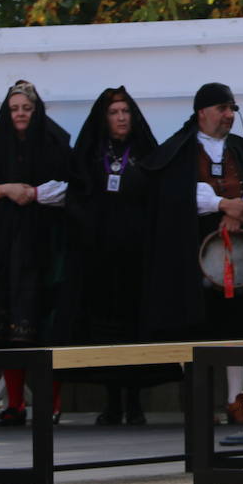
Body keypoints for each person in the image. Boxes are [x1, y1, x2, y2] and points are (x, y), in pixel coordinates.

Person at [141, 82, 243, 421]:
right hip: (190, 250)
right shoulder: (180, 151)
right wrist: (221, 204)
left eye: (232, 109)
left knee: (234, 328)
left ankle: (237, 400)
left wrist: (240, 210)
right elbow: (174, 193)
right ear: (202, 112)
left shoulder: (242, 151)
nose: (229, 116)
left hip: (238, 252)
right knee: (195, 326)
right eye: (222, 109)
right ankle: (198, 404)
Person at [0, 81, 71, 425]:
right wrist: (4, 189)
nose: (20, 114)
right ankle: (15, 403)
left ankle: (52, 403)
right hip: (1, 250)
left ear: (37, 111)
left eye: (26, 108)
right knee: (6, 325)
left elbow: (71, 188)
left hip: (45, 247)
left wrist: (32, 193)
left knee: (47, 326)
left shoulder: (56, 143)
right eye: (14, 109)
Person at [59, 87, 177, 425]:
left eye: (126, 111)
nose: (121, 118)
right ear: (104, 118)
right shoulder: (90, 154)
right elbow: (77, 196)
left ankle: (135, 401)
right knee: (103, 330)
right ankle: (111, 400)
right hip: (99, 257)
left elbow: (157, 196)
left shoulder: (146, 152)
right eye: (114, 112)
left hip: (137, 256)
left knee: (135, 327)